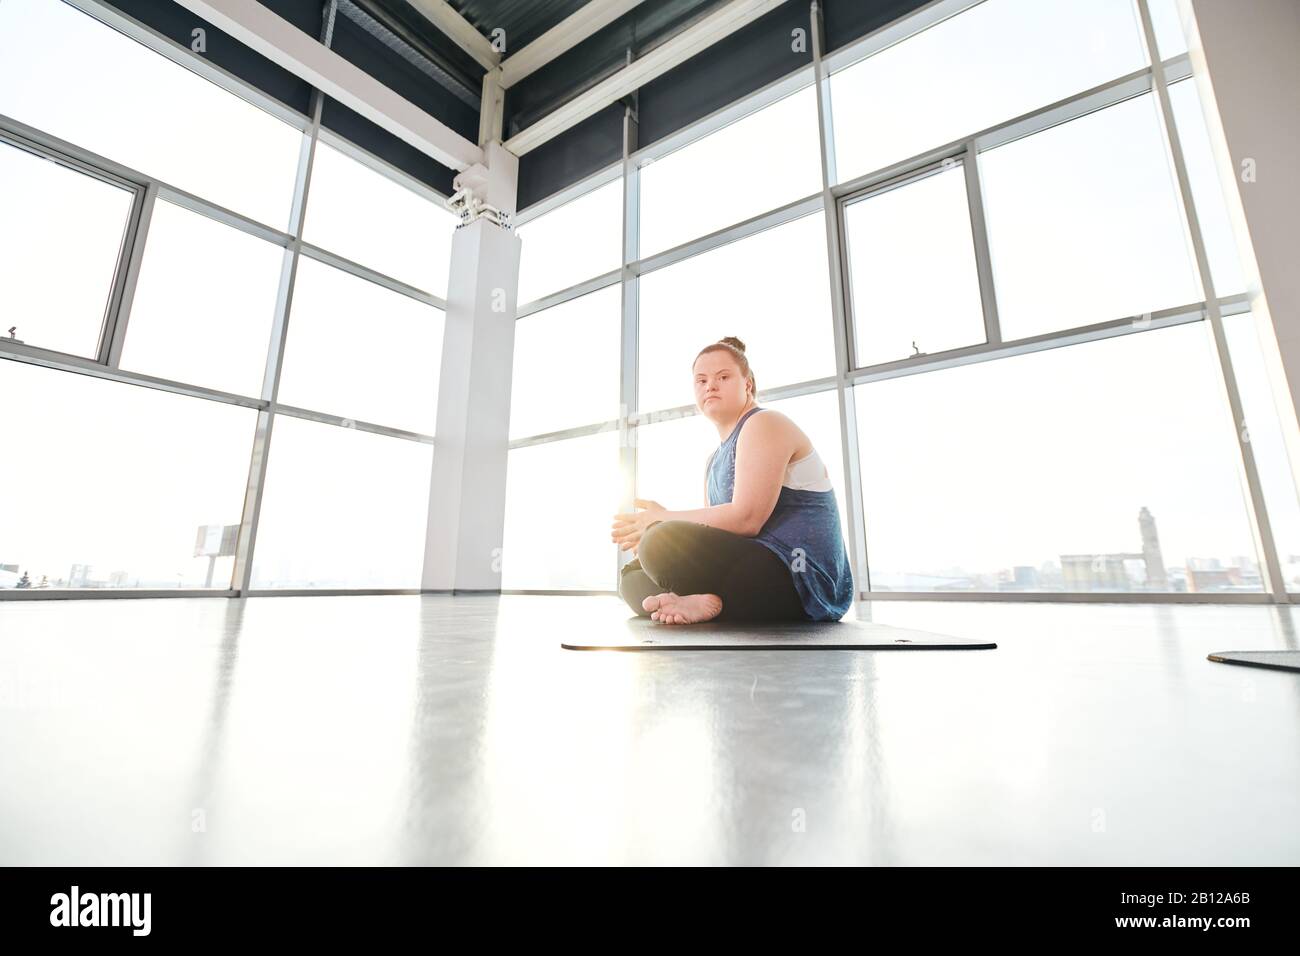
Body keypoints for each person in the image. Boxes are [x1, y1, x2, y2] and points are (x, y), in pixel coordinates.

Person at [611, 336, 855, 625]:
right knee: (632, 578)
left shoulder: (764, 423)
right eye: (701, 381)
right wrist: (662, 522)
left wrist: (661, 521)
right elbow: (718, 530)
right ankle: (708, 602)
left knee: (660, 542)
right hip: (753, 568)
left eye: (723, 377)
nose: (710, 386)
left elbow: (746, 519)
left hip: (799, 576)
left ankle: (706, 600)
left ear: (748, 384)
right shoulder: (712, 461)